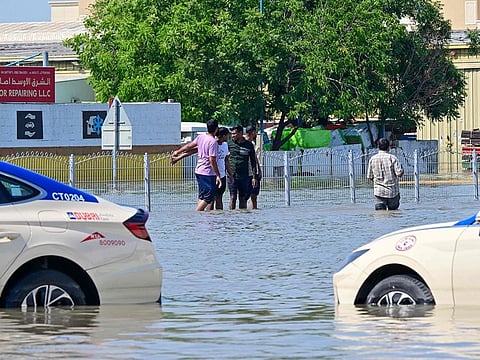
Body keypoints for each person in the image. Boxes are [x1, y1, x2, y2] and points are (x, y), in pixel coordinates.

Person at [171, 127, 232, 210]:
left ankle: (218, 217)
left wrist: (230, 175)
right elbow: (193, 150)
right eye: (227, 135)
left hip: (222, 175)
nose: (229, 137)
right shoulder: (212, 143)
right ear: (223, 135)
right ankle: (207, 216)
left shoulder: (225, 145)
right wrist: (179, 157)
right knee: (210, 199)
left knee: (219, 197)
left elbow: (226, 160)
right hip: (212, 174)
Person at [367, 138, 404, 210]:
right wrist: (402, 170)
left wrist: (378, 182)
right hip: (393, 192)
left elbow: (370, 176)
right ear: (389, 147)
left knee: (380, 215)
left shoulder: (372, 159)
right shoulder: (393, 158)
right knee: (394, 215)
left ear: (378, 147)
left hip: (379, 192)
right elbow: (399, 173)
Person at [228, 125, 257, 209]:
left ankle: (242, 218)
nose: (233, 135)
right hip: (231, 175)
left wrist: (254, 177)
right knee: (233, 197)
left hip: (244, 175)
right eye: (232, 134)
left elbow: (253, 162)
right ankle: (232, 217)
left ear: (240, 133)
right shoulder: (229, 144)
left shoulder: (249, 145)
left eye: (235, 134)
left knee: (243, 198)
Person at [244, 125, 262, 209]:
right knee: (246, 195)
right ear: (253, 133)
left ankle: (253, 211)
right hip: (246, 172)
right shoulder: (243, 142)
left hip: (253, 171)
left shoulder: (252, 143)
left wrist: (259, 169)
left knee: (254, 194)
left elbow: (254, 158)